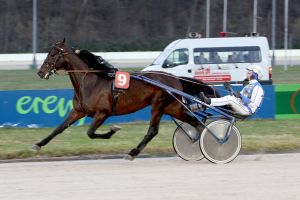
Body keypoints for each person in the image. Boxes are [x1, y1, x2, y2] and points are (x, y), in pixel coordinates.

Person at [190, 65, 264, 116]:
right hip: (242, 106)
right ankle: (193, 107)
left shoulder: (257, 88)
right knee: (229, 97)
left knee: (230, 99)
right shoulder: (248, 85)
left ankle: (207, 101)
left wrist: (241, 96)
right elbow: (237, 97)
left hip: (248, 110)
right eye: (248, 72)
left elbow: (252, 104)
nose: (247, 73)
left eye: (250, 72)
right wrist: (230, 89)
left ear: (255, 75)